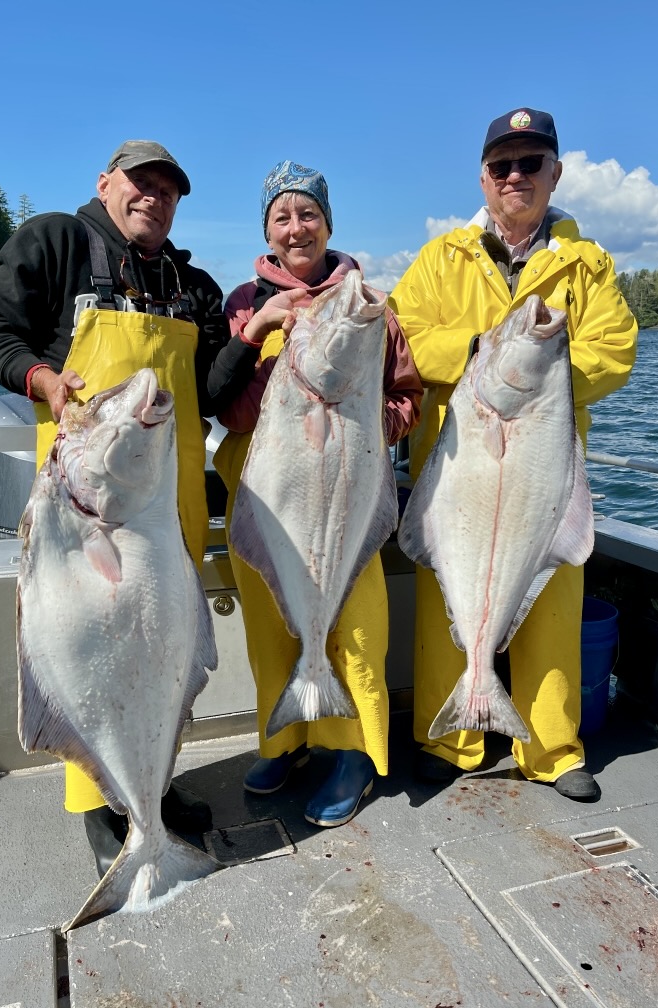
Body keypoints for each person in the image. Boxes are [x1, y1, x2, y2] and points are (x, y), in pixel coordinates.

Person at [0, 140, 259, 875]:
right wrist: (39, 376)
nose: (153, 198)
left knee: (161, 652)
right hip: (82, 508)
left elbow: (214, 392)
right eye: (140, 183)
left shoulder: (191, 284)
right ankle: (101, 804)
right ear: (105, 183)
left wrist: (252, 338)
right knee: (88, 650)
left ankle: (152, 791)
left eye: (168, 190)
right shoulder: (57, 243)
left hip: (169, 504)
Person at [389, 108, 638, 801]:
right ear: (484, 177)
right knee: (451, 600)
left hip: (540, 469)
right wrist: (477, 352)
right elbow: (404, 337)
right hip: (462, 464)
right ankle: (450, 737)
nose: (516, 176)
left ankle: (553, 749)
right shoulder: (442, 258)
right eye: (503, 165)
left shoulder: (587, 266)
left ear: (555, 174)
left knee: (553, 606)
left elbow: (615, 349)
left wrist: (542, 372)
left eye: (532, 163)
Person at [214, 161, 422, 827]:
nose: (296, 227)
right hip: (270, 495)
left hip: (347, 492)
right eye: (283, 215)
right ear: (267, 230)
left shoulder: (370, 306)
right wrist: (259, 330)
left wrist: (372, 425)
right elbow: (230, 407)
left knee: (356, 631)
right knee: (275, 633)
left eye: (309, 214)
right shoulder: (244, 302)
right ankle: (287, 741)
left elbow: (405, 396)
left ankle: (355, 754)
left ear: (328, 225)